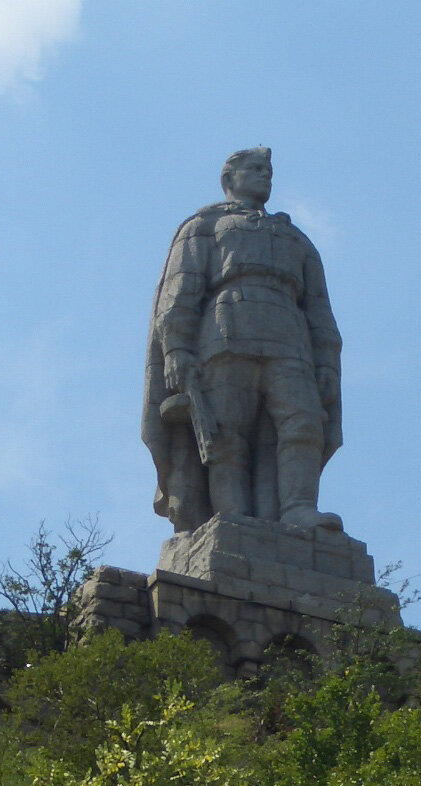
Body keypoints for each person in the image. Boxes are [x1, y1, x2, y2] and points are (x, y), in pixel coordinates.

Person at [142, 147, 343, 533]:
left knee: (303, 423)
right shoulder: (204, 225)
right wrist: (177, 348)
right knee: (225, 432)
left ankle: (298, 509)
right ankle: (231, 519)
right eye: (254, 169)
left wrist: (327, 364)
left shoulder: (294, 238)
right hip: (225, 332)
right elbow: (181, 290)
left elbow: (319, 310)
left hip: (290, 338)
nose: (265, 175)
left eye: (268, 170)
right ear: (229, 178)